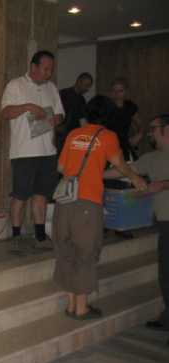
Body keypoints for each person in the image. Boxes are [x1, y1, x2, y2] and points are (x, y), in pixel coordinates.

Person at [54, 95, 147, 320]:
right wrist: (135, 178)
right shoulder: (107, 136)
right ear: (109, 116)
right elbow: (120, 164)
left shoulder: (74, 134)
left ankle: (71, 305)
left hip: (64, 201)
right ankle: (81, 309)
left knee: (66, 251)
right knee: (86, 252)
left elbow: (61, 167)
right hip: (88, 202)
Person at [105, 113, 169, 331]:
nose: (149, 133)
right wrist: (93, 173)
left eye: (154, 129)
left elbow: (161, 185)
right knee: (165, 273)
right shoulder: (151, 158)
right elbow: (124, 170)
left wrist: (163, 184)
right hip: (164, 223)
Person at [1, 50, 65, 253]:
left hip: (48, 151)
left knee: (41, 195)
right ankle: (16, 237)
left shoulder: (51, 88)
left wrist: (55, 119)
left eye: (51, 69)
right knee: (20, 195)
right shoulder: (15, 85)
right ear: (33, 67)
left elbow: (60, 114)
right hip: (24, 152)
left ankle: (40, 235)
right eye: (45, 69)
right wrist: (28, 107)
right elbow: (5, 112)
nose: (48, 73)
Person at [107, 78, 143, 161]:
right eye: (114, 90)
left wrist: (139, 134)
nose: (117, 93)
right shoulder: (105, 106)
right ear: (110, 92)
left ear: (126, 91)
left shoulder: (130, 106)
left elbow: (139, 123)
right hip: (108, 143)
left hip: (124, 143)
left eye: (120, 91)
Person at [57, 72, 93, 153]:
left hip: (74, 137)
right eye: (86, 85)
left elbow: (83, 120)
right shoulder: (63, 94)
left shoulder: (81, 100)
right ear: (79, 81)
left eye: (89, 86)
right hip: (61, 136)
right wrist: (57, 127)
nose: (87, 89)